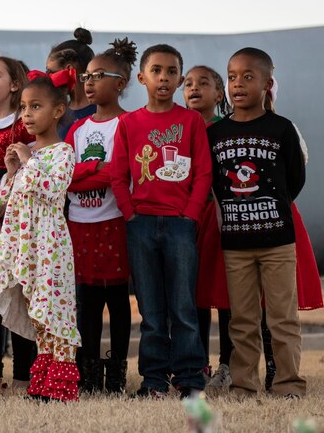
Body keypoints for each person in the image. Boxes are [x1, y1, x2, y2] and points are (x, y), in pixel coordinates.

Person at [110, 44, 212, 399]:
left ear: (180, 80)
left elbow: (203, 173)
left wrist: (190, 214)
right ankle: (153, 380)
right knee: (151, 309)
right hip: (141, 225)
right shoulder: (129, 123)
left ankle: (190, 379)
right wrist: (130, 214)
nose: (164, 78)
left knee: (183, 307)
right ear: (142, 78)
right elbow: (118, 175)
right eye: (156, 71)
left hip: (180, 225)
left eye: (171, 72)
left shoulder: (191, 121)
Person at [207, 47, 307, 399]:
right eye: (232, 77)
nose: (238, 84)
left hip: (278, 242)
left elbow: (295, 179)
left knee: (282, 318)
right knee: (242, 320)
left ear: (267, 84)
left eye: (248, 77)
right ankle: (244, 386)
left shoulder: (281, 129)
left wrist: (269, 209)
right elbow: (214, 183)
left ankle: (288, 384)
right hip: (236, 244)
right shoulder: (216, 133)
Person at [0, 69, 80, 402]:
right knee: (36, 311)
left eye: (36, 107)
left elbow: (52, 189)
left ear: (58, 111)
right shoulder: (30, 154)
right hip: (26, 247)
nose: (27, 114)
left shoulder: (63, 152)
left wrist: (29, 162)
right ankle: (41, 381)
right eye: (24, 107)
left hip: (49, 246)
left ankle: (60, 383)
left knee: (55, 309)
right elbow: (4, 199)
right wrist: (13, 171)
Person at [65, 38, 138, 394]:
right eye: (86, 76)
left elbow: (121, 174)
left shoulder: (128, 124)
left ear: (120, 83)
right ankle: (89, 371)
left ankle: (117, 371)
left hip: (114, 224)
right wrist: (96, 168)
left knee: (118, 301)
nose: (89, 82)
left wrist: (90, 172)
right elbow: (66, 175)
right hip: (80, 225)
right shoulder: (78, 130)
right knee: (87, 303)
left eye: (98, 75)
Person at [0, 55, 36, 392]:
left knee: (17, 295)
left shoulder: (23, 125)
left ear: (15, 84)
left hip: (16, 224)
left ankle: (23, 374)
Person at [182, 65, 234, 387]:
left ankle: (227, 365)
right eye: (188, 83)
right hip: (187, 220)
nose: (194, 88)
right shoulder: (179, 129)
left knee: (224, 295)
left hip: (218, 219)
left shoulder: (225, 129)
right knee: (193, 296)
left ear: (218, 94)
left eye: (203, 83)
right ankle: (197, 363)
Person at [46, 27, 96, 139]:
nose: (47, 77)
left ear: (69, 69)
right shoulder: (57, 111)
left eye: (51, 72)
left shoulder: (100, 112)